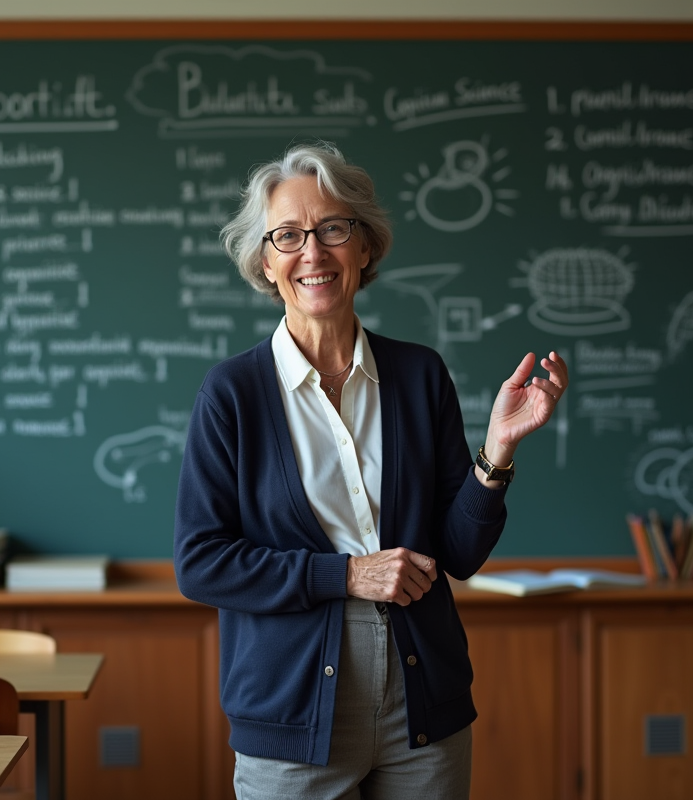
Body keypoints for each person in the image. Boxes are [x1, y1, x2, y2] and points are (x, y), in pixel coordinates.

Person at [173, 142, 568, 800]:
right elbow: (200, 562)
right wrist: (349, 574)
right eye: (289, 236)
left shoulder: (419, 376)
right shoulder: (231, 394)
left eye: (333, 228)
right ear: (266, 263)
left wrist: (497, 452)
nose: (313, 252)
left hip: (424, 709)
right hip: (291, 712)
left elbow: (458, 556)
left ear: (364, 248)